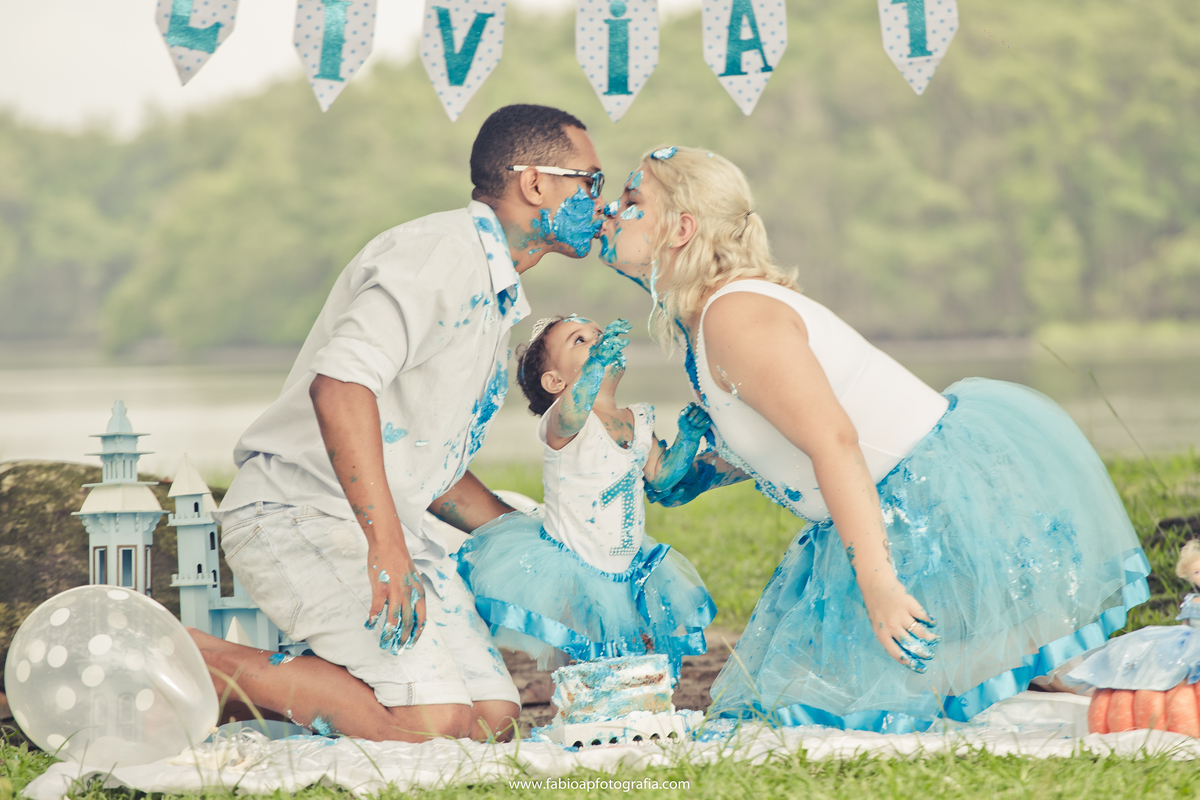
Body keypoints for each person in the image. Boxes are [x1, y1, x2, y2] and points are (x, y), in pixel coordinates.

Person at [596, 144, 1151, 732]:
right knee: (800, 713)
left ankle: (1154, 677)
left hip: (928, 511)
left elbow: (835, 441)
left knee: (866, 706)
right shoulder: (704, 320)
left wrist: (878, 585)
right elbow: (759, 448)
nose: (608, 208)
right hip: (870, 510)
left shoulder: (735, 317)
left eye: (632, 200)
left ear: (681, 228)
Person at [193, 104, 610, 742]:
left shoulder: (496, 291)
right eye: (591, 182)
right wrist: (386, 550)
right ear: (535, 184)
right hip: (303, 513)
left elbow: (427, 467)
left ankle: (313, 697)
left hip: (391, 531)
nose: (601, 203)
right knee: (432, 723)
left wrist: (531, 545)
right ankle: (202, 659)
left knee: (493, 725)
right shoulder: (439, 256)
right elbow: (340, 386)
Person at [454, 315, 717, 673]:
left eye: (599, 334)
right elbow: (574, 412)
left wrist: (687, 438)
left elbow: (662, 477)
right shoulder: (562, 422)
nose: (597, 341)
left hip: (628, 563)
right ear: (555, 381)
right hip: (573, 567)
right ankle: (580, 713)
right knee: (584, 661)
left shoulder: (638, 420)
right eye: (580, 340)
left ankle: (640, 714)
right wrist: (596, 367)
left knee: (640, 653)